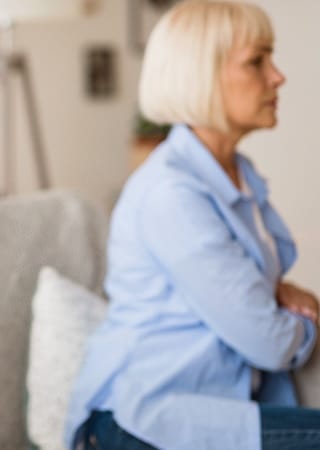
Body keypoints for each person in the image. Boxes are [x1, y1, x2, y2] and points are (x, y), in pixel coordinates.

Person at [64, 1, 320, 449]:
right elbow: (269, 341)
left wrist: (277, 298)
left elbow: (256, 300)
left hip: (213, 410)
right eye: (257, 61)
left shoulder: (234, 174)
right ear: (202, 74)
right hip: (145, 420)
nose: (277, 76)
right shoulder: (172, 194)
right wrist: (309, 318)